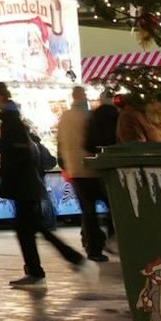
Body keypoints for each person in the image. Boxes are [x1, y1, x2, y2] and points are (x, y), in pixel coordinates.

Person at [0, 82, 83, 287]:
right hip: (26, 184)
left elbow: (14, 152)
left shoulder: (10, 121)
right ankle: (55, 264)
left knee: (29, 229)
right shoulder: (13, 119)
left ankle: (62, 263)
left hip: (22, 185)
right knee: (32, 228)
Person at [56, 86, 109, 262]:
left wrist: (65, 164)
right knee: (102, 206)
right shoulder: (89, 116)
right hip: (92, 168)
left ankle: (91, 245)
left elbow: (60, 144)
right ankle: (99, 242)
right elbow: (94, 142)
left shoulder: (65, 117)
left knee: (88, 210)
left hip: (75, 170)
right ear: (83, 96)